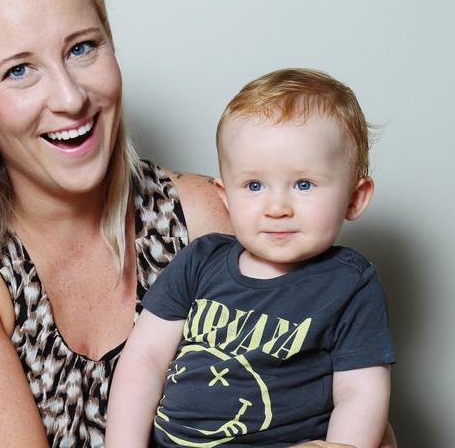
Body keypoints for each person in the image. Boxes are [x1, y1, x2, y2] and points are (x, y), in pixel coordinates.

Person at [0, 0, 396, 446]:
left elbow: (363, 422)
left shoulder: (204, 217)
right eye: (19, 70)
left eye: (82, 48)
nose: (70, 97)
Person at [106, 68, 396, 448]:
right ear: (225, 197)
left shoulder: (350, 284)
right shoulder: (200, 262)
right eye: (254, 185)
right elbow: (143, 360)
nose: (277, 207)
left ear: (354, 199)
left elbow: (361, 392)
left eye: (303, 184)